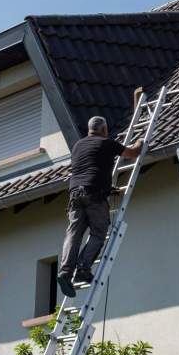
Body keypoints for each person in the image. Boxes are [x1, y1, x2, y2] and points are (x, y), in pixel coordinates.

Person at [57, 115, 144, 297]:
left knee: (74, 233)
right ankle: (83, 269)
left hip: (75, 194)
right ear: (103, 130)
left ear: (89, 130)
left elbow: (91, 166)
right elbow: (133, 153)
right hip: (94, 195)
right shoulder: (107, 144)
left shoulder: (78, 146)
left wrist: (106, 187)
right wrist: (140, 141)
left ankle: (65, 271)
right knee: (99, 232)